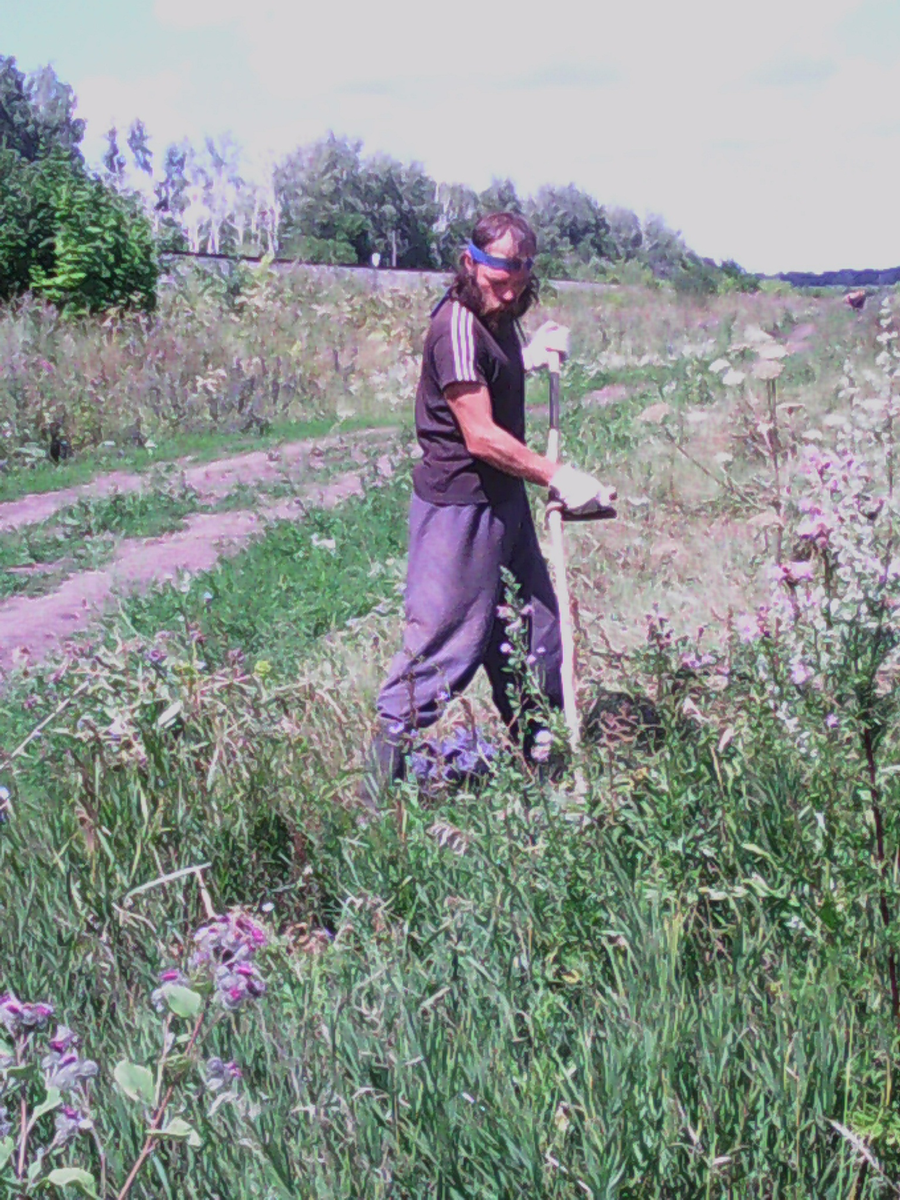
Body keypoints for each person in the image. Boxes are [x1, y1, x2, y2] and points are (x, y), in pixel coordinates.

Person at [361, 211, 615, 802]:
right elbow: (478, 434)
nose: (509, 292)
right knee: (445, 646)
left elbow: (487, 379)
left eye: (520, 281)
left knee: (533, 634)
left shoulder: (500, 316)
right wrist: (559, 475)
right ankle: (377, 797)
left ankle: (541, 767)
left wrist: (530, 358)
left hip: (504, 505)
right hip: (459, 511)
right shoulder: (454, 323)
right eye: (499, 280)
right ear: (471, 263)